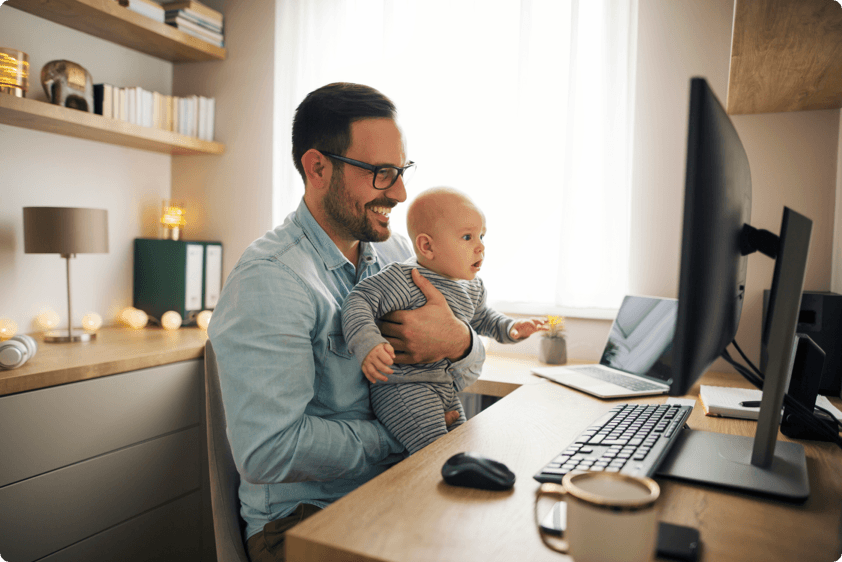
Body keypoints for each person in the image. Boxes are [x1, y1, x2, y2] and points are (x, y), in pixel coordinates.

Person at [207, 83, 486, 562]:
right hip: (303, 519)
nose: (400, 193)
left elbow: (458, 370)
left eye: (401, 171)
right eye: (381, 174)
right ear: (317, 168)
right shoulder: (270, 281)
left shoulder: (400, 256)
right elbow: (269, 450)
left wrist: (460, 343)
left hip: (397, 487)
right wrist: (402, 430)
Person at [342, 187, 545, 454]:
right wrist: (368, 343)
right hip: (404, 389)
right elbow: (358, 301)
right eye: (467, 237)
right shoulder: (405, 278)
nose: (481, 246)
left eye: (482, 236)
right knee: (437, 455)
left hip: (445, 388)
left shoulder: (472, 287)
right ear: (427, 246)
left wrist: (511, 328)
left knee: (461, 444)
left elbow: (483, 318)